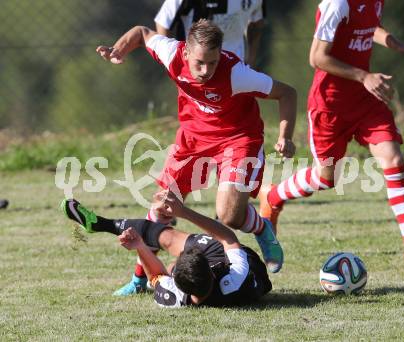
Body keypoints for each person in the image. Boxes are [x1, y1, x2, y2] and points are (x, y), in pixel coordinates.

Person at [96, 19, 297, 295]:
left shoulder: (236, 73)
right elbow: (142, 33)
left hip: (238, 138)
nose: (206, 71)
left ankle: (260, 227)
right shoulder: (171, 54)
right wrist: (119, 50)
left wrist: (285, 135)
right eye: (200, 63)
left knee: (229, 215)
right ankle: (139, 280)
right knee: (161, 207)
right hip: (193, 138)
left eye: (212, 63)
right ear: (186, 53)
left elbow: (287, 92)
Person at [259, 0, 404, 262]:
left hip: (364, 100)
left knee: (393, 159)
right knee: (326, 178)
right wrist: (364, 76)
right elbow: (316, 57)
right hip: (330, 105)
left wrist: (390, 39)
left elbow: (367, 27)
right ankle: (273, 195)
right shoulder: (338, 4)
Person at [61, 195, 272, 307]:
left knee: (169, 239)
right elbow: (228, 238)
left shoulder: (174, 296)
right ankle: (100, 224)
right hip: (250, 268)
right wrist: (184, 213)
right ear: (210, 270)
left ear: (177, 282)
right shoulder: (234, 278)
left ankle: (101, 224)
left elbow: (156, 276)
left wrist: (141, 247)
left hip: (212, 276)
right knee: (179, 240)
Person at [154, 0, 266, 67]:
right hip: (194, 70)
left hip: (235, 67)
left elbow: (256, 22)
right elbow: (163, 23)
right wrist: (171, 62)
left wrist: (251, 59)